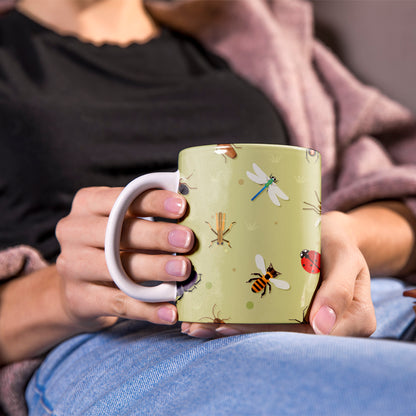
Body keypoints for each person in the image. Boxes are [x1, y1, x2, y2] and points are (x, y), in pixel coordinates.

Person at [0, 0, 415, 414]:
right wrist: (62, 296)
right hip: (135, 340)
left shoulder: (257, 35)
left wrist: (341, 234)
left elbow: (399, 200)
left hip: (361, 304)